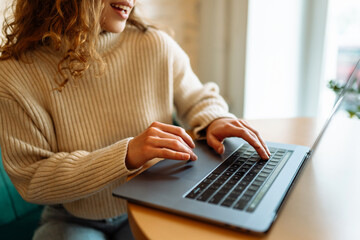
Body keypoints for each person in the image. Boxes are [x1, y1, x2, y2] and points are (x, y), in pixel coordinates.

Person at [0, 0, 270, 239]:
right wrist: (126, 155)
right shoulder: (14, 75)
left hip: (156, 205)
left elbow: (199, 98)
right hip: (73, 217)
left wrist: (214, 120)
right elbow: (34, 178)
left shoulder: (154, 43)